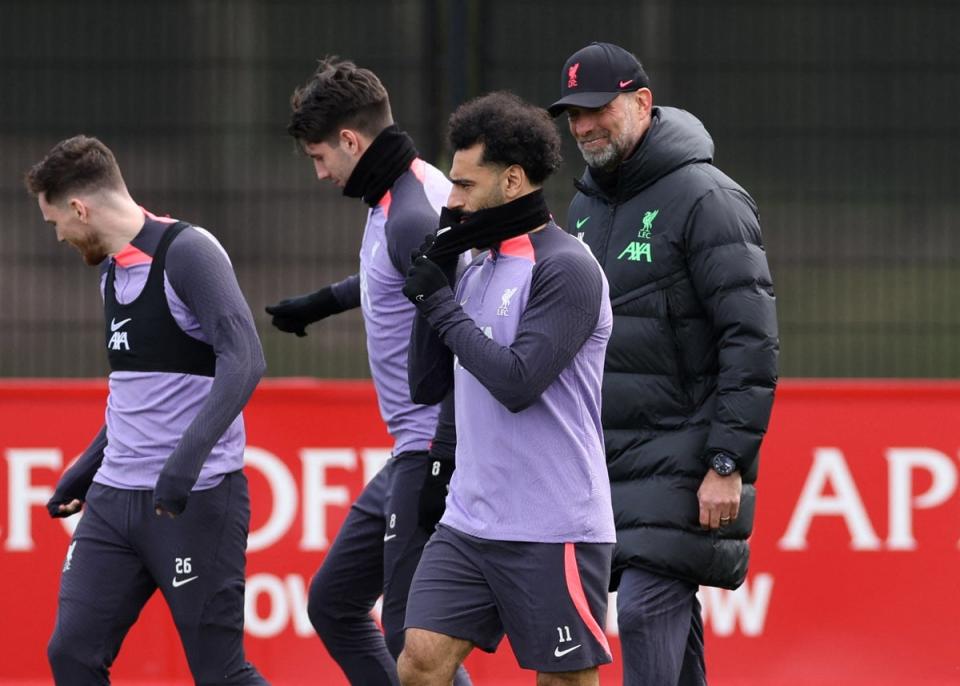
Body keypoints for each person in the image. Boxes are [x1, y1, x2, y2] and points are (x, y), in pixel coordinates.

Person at [547, 42, 780, 685]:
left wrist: (728, 461)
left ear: (642, 103)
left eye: (598, 109)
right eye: (574, 115)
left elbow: (751, 340)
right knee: (667, 619)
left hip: (687, 456)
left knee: (649, 610)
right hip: (610, 461)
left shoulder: (709, 199)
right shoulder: (585, 206)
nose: (585, 126)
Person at [25, 135, 268, 685]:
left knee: (221, 673)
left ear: (79, 209)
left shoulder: (188, 252)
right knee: (71, 655)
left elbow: (246, 359)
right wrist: (84, 469)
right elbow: (137, 397)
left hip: (196, 500)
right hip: (114, 503)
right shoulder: (111, 269)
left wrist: (182, 465)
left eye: (55, 222)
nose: (59, 235)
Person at [397, 91, 616, 686]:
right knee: (419, 661)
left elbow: (517, 381)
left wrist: (440, 306)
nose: (453, 199)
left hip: (554, 525)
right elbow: (426, 384)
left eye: (465, 185)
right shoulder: (474, 263)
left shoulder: (566, 268)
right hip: (470, 520)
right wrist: (438, 279)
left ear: (513, 180)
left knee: (563, 680)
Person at [264, 58, 469, 686]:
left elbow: (462, 333)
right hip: (412, 447)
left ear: (351, 140)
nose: (321, 171)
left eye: (320, 156)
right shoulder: (399, 192)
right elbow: (394, 277)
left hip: (433, 446)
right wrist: (322, 303)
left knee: (412, 639)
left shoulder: (411, 211)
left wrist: (443, 453)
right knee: (334, 605)